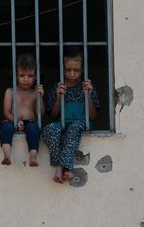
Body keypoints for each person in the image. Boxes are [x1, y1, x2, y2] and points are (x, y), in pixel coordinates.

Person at [42, 47, 101, 183]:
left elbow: (93, 116)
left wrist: (89, 95)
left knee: (74, 126)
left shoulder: (87, 87)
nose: (72, 74)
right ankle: (59, 166)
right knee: (51, 128)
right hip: (62, 123)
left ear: (83, 69)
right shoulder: (57, 87)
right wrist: (58, 97)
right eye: (68, 70)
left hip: (80, 124)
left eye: (76, 70)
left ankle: (65, 168)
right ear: (62, 69)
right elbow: (52, 115)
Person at [0, 53, 45, 166]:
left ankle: (33, 157)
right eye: (22, 75)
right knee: (6, 128)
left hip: (30, 122)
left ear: (36, 76)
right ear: (15, 75)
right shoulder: (10, 91)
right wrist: (15, 121)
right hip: (12, 120)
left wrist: (40, 97)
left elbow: (40, 113)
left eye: (30, 76)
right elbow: (6, 112)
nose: (26, 79)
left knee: (34, 130)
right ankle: (6, 155)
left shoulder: (35, 92)